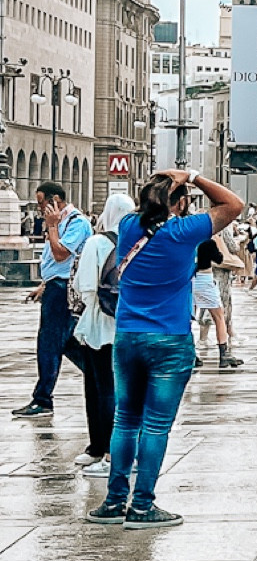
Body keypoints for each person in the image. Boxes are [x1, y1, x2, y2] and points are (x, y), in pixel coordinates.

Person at [89, 168, 244, 527]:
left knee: (125, 421)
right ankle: (142, 506)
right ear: (182, 203)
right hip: (170, 339)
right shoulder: (183, 231)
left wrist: (167, 186)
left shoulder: (128, 225)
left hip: (128, 336)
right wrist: (193, 176)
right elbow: (233, 204)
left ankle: (114, 502)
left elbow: (145, 211)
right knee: (156, 426)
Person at [12, 180, 93, 420]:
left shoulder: (76, 222)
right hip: (56, 286)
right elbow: (56, 265)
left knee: (49, 342)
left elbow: (60, 255)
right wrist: (44, 285)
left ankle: (43, 399)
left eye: (41, 203)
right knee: (67, 342)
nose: (39, 208)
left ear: (54, 201)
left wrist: (52, 226)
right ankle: (103, 376)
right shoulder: (61, 222)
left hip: (64, 289)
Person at [68, 191, 134, 476]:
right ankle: (117, 447)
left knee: (98, 387)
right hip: (129, 323)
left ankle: (101, 447)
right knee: (124, 388)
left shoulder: (96, 242)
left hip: (99, 324)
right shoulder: (138, 242)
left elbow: (84, 286)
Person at [192, 238, 244, 370]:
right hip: (205, 279)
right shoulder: (208, 242)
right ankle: (223, 354)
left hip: (189, 279)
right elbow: (219, 259)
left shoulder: (188, 240)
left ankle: (190, 353)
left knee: (189, 318)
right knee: (219, 317)